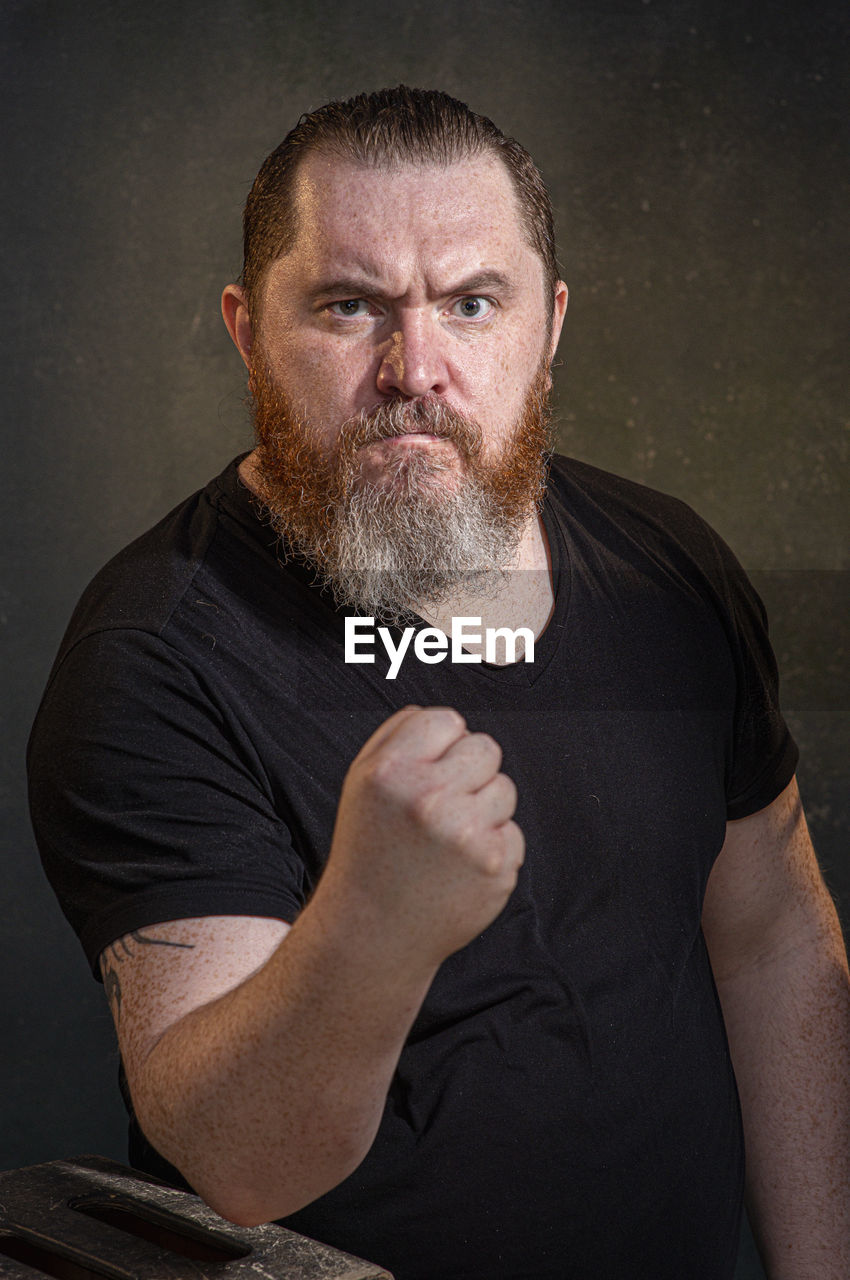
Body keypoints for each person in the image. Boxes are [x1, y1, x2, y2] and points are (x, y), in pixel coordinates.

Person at [27, 86, 849, 1280]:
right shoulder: (154, 654)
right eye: (349, 306)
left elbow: (772, 941)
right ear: (248, 328)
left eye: (471, 303)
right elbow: (237, 1162)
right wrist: (372, 929)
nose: (416, 368)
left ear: (549, 324)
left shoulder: (669, 573)